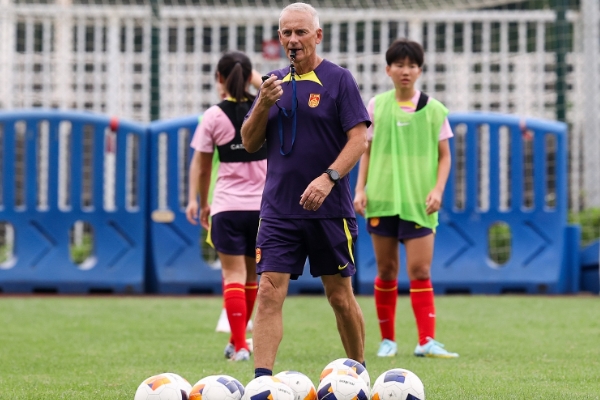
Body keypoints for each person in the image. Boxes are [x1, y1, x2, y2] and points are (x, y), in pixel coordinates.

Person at [241, 2, 370, 378]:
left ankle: (358, 374)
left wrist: (329, 177)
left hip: (329, 211)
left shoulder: (339, 80)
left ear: (318, 36)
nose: (293, 40)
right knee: (267, 292)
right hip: (279, 210)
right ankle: (262, 382)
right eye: (286, 33)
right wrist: (262, 104)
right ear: (279, 38)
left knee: (339, 297)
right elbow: (249, 143)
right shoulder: (272, 83)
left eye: (301, 32)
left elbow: (359, 139)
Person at [353, 39, 459, 359]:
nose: (405, 71)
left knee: (420, 271)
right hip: (382, 199)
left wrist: (438, 189)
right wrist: (360, 189)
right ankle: (388, 341)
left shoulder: (436, 110)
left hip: (419, 202)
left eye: (412, 65)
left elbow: (445, 157)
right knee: (386, 272)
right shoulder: (375, 106)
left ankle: (426, 341)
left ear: (420, 71)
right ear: (388, 70)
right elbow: (366, 151)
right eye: (399, 65)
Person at [186, 50, 266, 362]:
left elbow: (204, 168)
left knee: (232, 276)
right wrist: (254, 80)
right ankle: (239, 342)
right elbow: (278, 91)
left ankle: (240, 346)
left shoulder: (213, 116)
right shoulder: (264, 107)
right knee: (250, 278)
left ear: (218, 78)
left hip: (227, 207)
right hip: (262, 209)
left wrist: (200, 202)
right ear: (249, 77)